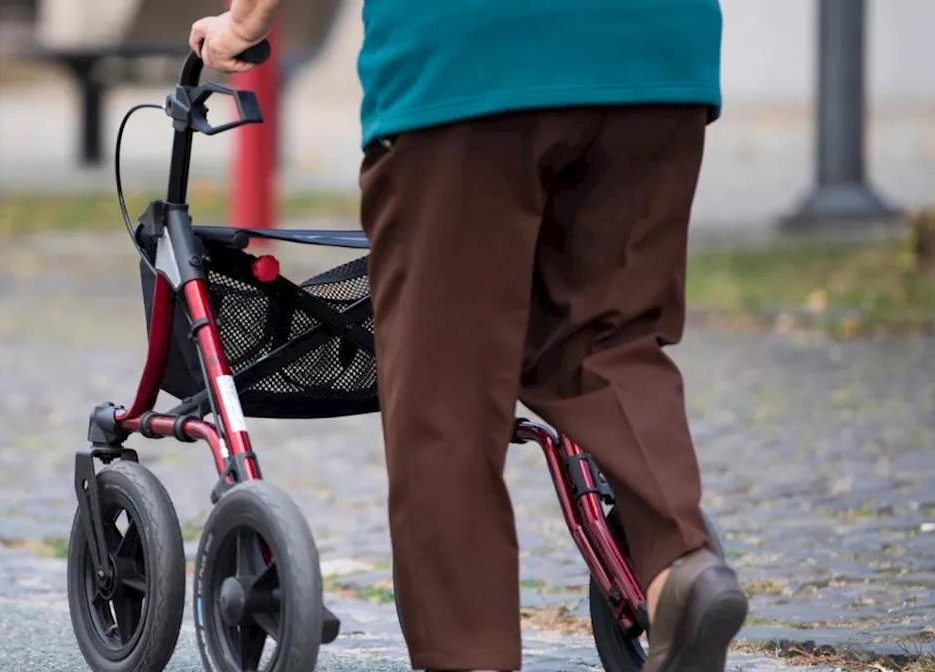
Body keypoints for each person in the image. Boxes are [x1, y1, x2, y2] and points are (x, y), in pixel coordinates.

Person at [191, 0, 750, 670]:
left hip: (470, 58)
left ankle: (468, 656)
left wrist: (245, 23)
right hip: (658, 56)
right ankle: (679, 569)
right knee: (609, 338)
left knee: (445, 381)